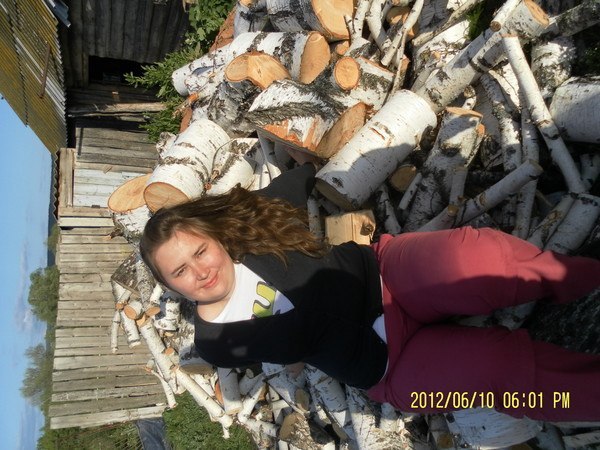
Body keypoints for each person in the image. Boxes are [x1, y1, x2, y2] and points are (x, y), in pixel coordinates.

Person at [140, 163, 600, 422]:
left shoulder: (251, 229)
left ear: (216, 238)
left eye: (200, 251)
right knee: (499, 376)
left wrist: (320, 166)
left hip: (386, 273)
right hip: (388, 368)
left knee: (483, 259)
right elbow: (294, 342)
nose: (200, 271)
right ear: (168, 285)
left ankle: (582, 278)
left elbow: (301, 175)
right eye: (180, 271)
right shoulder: (216, 342)